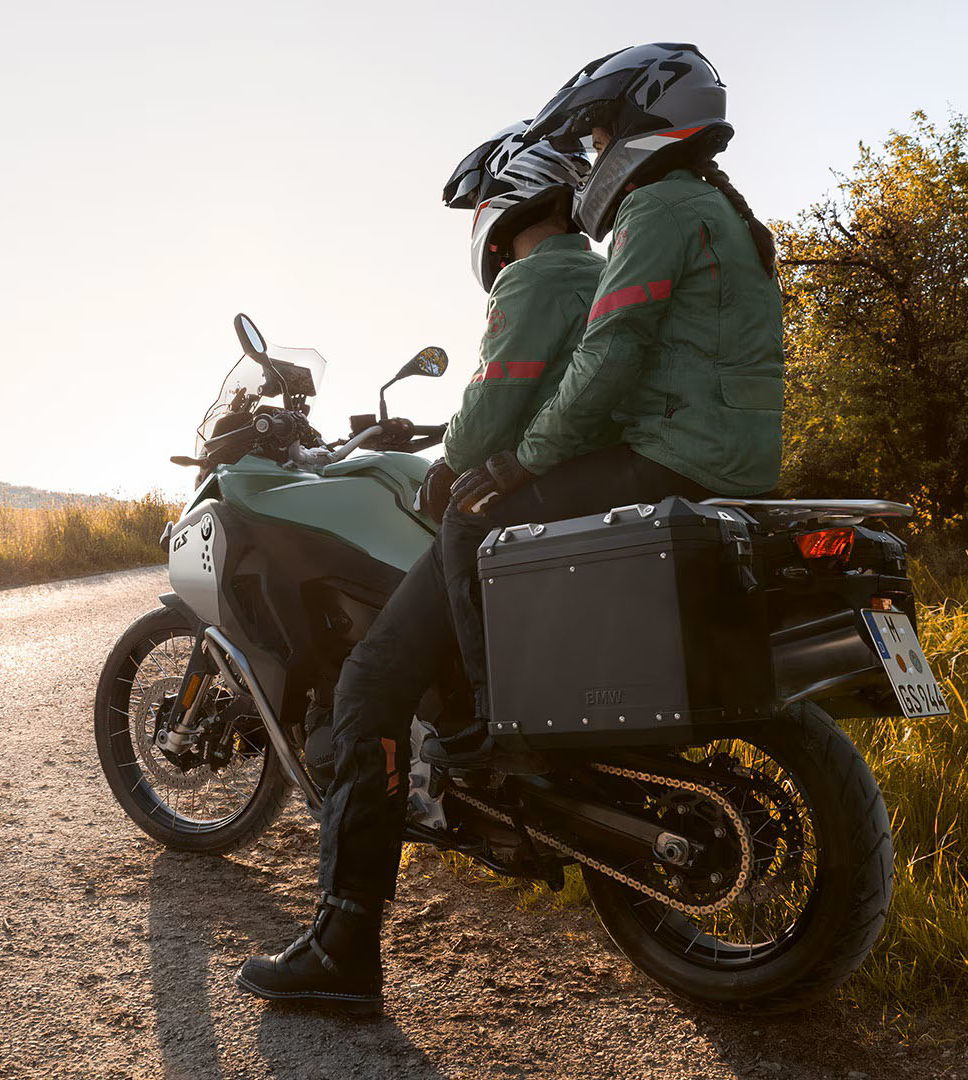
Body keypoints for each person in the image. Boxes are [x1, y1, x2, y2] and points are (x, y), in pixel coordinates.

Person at [234, 126, 606, 1011]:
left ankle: (344, 945)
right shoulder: (605, 272)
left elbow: (486, 420)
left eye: (482, 208)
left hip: (514, 512)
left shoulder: (540, 275)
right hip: (585, 506)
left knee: (368, 689)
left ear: (508, 203)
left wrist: (453, 457)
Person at [422, 41, 785, 768]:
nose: (594, 151)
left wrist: (521, 460)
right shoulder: (715, 206)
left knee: (469, 521)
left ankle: (489, 727)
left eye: (597, 135)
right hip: (736, 457)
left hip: (675, 453)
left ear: (641, 120)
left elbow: (609, 352)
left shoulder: (659, 207)